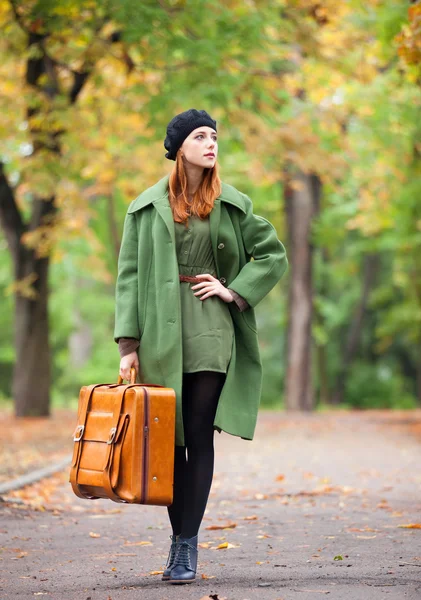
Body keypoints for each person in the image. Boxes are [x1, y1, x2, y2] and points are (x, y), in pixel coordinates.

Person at [114, 108, 288, 585]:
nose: (211, 143)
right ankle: (179, 541)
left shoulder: (233, 203)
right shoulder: (144, 207)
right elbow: (128, 277)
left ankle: (186, 546)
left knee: (198, 430)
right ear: (178, 148)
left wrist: (233, 290)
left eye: (214, 136)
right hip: (160, 332)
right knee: (168, 436)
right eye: (200, 136)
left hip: (211, 324)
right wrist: (129, 344)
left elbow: (272, 253)